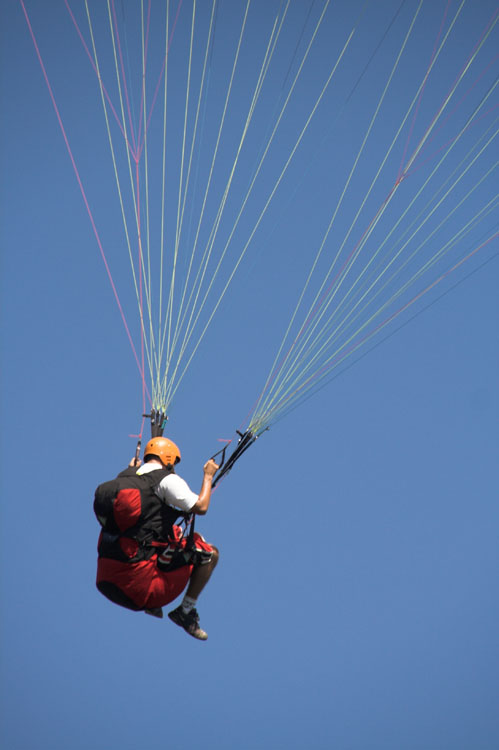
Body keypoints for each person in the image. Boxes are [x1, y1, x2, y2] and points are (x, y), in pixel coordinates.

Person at [94, 436, 219, 641]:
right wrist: (208, 476)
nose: (175, 469)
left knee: (173, 535)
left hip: (107, 579)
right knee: (210, 553)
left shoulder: (125, 478)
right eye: (174, 464)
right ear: (168, 459)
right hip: (141, 590)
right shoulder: (167, 480)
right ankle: (185, 612)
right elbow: (201, 506)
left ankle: (155, 580)